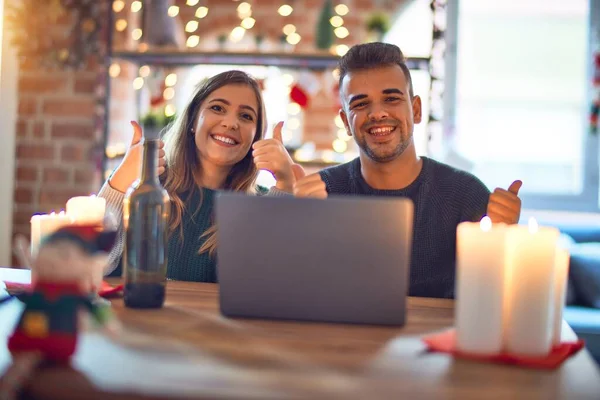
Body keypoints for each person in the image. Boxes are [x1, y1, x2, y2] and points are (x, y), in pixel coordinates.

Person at [293, 43, 522, 298]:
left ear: (415, 110)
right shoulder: (321, 194)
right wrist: (298, 224)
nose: (377, 113)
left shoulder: (466, 195)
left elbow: (497, 298)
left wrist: (505, 241)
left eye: (391, 99)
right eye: (360, 104)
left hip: (435, 338)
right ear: (346, 122)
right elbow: (297, 293)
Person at [99, 70, 296, 282]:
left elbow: (268, 283)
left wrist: (285, 186)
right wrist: (120, 181)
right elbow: (91, 264)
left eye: (246, 116)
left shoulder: (259, 205)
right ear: (193, 121)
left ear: (255, 138)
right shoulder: (146, 190)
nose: (231, 123)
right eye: (218, 108)